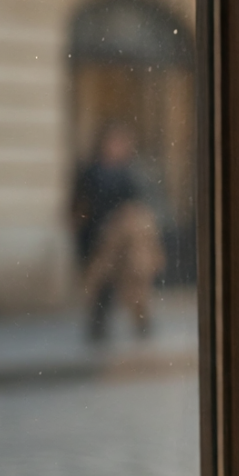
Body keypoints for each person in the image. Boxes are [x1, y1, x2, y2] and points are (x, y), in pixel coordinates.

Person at [72, 123, 163, 344]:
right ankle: (98, 326)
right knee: (101, 285)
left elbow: (140, 206)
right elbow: (79, 206)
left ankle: (142, 323)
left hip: (125, 240)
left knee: (134, 284)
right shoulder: (91, 172)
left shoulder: (130, 173)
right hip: (99, 238)